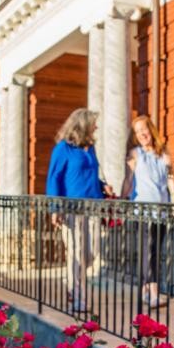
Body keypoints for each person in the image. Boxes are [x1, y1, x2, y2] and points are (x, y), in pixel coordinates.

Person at [46, 108, 112, 312]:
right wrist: (55, 208)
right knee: (76, 251)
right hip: (71, 209)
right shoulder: (63, 149)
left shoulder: (90, 148)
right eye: (93, 123)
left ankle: (70, 281)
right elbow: (54, 178)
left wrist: (102, 185)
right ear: (83, 125)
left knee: (92, 252)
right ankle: (78, 297)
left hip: (93, 206)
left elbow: (89, 175)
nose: (96, 127)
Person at [120, 115, 173, 307]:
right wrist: (120, 199)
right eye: (137, 131)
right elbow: (127, 180)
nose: (142, 134)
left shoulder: (164, 154)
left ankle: (144, 289)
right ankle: (153, 293)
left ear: (151, 129)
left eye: (144, 129)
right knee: (147, 250)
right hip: (142, 210)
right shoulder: (135, 154)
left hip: (162, 210)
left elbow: (170, 181)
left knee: (156, 251)